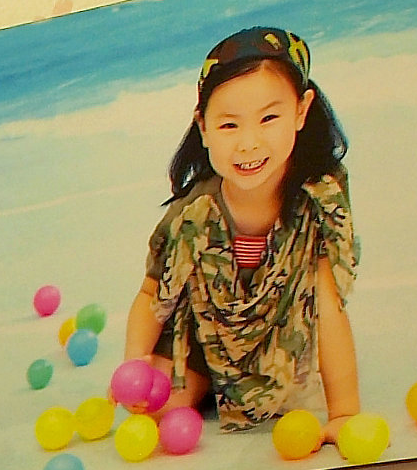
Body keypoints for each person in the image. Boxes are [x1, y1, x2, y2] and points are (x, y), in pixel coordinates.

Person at [123, 24, 359, 437]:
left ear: (301, 110)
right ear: (203, 126)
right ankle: (211, 383)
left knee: (286, 396)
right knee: (158, 409)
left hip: (281, 331)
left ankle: (250, 379)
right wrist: (135, 364)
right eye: (230, 125)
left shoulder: (319, 198)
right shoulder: (194, 214)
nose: (249, 143)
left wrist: (344, 413)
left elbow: (328, 301)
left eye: (269, 118)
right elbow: (151, 293)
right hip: (203, 334)